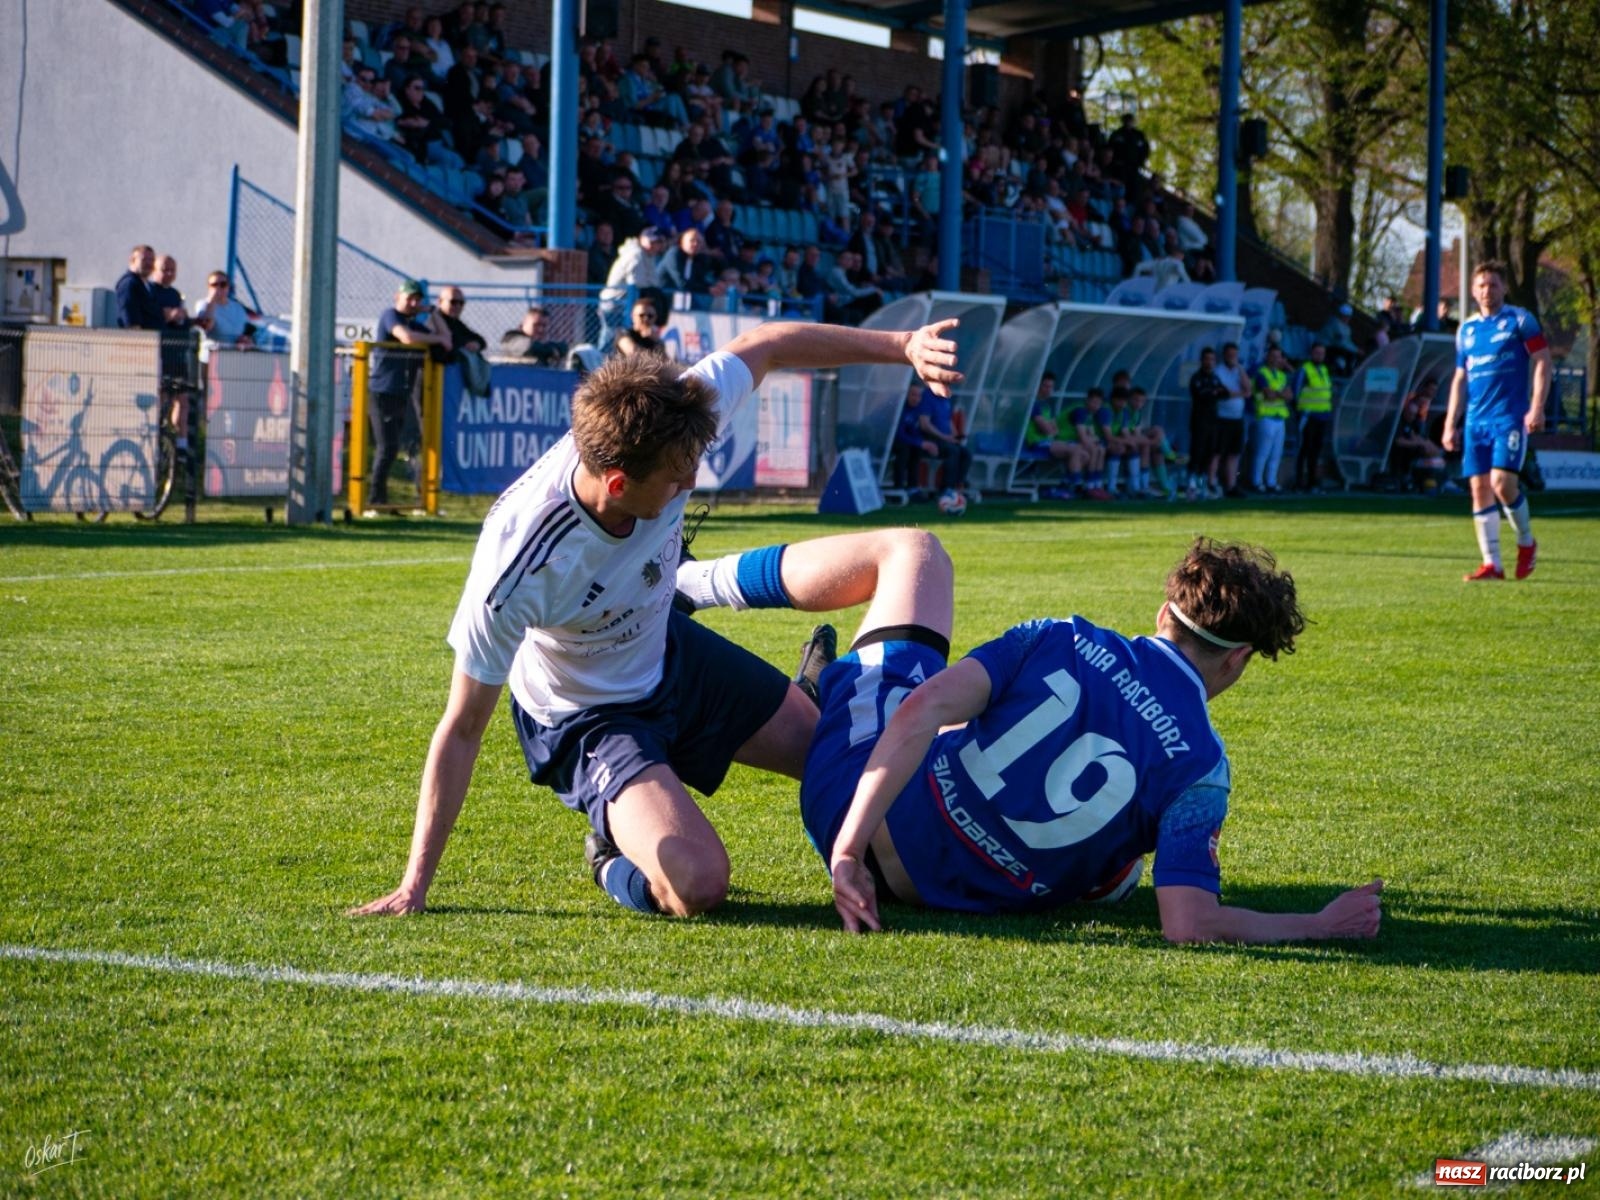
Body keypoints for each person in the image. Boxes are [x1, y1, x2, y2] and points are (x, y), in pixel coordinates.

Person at [349, 318, 965, 920]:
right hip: (590, 716)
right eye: (677, 481)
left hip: (670, 653)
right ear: (617, 484)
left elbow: (769, 345)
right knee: (698, 885)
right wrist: (414, 884)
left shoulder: (668, 419)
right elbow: (461, 729)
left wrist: (903, 345)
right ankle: (609, 858)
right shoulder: (520, 561)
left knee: (849, 765)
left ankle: (757, 655)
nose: (690, 482)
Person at [794, 532, 1383, 943]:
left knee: (914, 558)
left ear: (1163, 615)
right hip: (941, 897)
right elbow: (1189, 925)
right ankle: (708, 589)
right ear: (1239, 662)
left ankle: (708, 584)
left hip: (851, 814)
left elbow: (923, 709)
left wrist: (846, 854)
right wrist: (1319, 925)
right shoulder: (1203, 768)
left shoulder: (1063, 636)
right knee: (1120, 875)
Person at [1442, 260, 1552, 581]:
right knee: (1479, 490)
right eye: (1481, 285)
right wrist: (1451, 423)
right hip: (1476, 421)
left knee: (1502, 484)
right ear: (1473, 291)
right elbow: (1460, 379)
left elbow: (1543, 361)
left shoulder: (1520, 321)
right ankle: (1492, 564)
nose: (1487, 291)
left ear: (1504, 287)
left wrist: (1537, 406)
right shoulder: (1466, 330)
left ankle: (1526, 542)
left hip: (1509, 418)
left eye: (1493, 284)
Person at [368, 280, 450, 509]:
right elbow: (407, 338)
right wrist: (437, 339)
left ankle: (387, 502)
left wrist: (433, 312)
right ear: (398, 297)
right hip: (382, 391)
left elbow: (447, 339)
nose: (414, 303)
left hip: (401, 393)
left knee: (397, 448)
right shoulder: (390, 315)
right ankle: (375, 501)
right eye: (409, 298)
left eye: (418, 299)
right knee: (386, 447)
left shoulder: (413, 322)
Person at [1249, 345, 1292, 493]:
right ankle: (1256, 481)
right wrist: (1280, 394)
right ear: (1267, 357)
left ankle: (1271, 482)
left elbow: (1289, 395)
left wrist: (1277, 394)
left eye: (1278, 356)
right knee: (1263, 452)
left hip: (1280, 418)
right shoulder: (1262, 374)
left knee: (1276, 453)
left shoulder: (1282, 375)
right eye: (1273, 356)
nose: (1275, 359)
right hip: (1265, 416)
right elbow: (1268, 394)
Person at [1293, 342, 1334, 492]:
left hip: (1322, 416)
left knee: (1316, 451)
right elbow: (1296, 393)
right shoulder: (1304, 370)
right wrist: (1300, 412)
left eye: (1322, 353)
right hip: (1308, 416)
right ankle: (1298, 482)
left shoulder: (1324, 370)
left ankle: (1312, 482)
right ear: (1311, 353)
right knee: (1304, 449)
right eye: (1317, 353)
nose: (1319, 356)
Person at [1212, 342, 1252, 497]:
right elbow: (1224, 393)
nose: (1232, 358)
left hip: (1237, 418)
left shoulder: (1239, 371)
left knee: (1234, 453)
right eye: (1229, 355)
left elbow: (1248, 389)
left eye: (1234, 355)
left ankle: (1231, 485)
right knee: (1217, 452)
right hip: (1221, 418)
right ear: (1224, 355)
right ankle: (1212, 483)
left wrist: (1240, 368)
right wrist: (1241, 393)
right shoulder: (1218, 371)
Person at [498, 307, 566, 366]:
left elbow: (564, 347)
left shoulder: (542, 345)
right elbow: (529, 347)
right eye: (536, 325)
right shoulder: (511, 337)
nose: (540, 329)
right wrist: (552, 351)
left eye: (544, 326)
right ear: (524, 323)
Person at [115, 245, 162, 331]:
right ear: (132, 261)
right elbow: (131, 321)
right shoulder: (129, 284)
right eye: (144, 259)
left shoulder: (147, 285)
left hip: (153, 339)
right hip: (140, 341)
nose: (149, 263)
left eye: (152, 260)